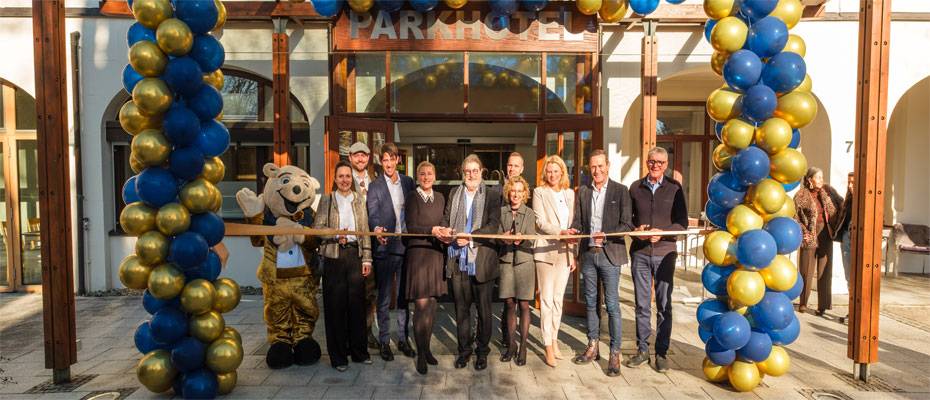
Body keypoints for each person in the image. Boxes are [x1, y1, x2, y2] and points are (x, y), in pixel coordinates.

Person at [570, 149, 633, 377]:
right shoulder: (583, 191)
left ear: (608, 166)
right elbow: (578, 222)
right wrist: (573, 230)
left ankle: (615, 353)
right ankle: (592, 346)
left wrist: (606, 235)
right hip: (588, 255)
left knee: (612, 305)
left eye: (600, 166)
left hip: (610, 254)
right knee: (590, 302)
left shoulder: (621, 190)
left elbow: (627, 225)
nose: (596, 170)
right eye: (593, 167)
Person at [625, 147, 688, 373]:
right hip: (640, 253)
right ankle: (642, 350)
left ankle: (661, 353)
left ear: (666, 164)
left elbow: (682, 223)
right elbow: (627, 221)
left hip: (665, 253)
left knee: (664, 305)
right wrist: (637, 231)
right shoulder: (635, 188)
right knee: (642, 305)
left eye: (660, 162)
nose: (656, 166)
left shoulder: (675, 187)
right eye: (652, 161)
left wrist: (663, 233)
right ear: (647, 162)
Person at [437, 154, 502, 371]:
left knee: (484, 311)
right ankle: (464, 351)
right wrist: (445, 230)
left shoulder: (492, 195)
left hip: (481, 261)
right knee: (461, 310)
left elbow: (493, 225)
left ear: (482, 172)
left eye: (475, 171)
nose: (471, 175)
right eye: (467, 171)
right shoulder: (454, 193)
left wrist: (471, 237)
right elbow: (446, 218)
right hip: (458, 259)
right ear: (462, 173)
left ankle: (482, 352)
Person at [313, 161, 373, 371]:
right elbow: (317, 228)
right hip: (333, 256)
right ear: (335, 178)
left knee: (357, 307)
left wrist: (367, 258)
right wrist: (335, 234)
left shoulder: (359, 199)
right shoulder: (327, 200)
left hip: (355, 255)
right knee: (335, 308)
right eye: (341, 176)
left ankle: (359, 353)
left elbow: (365, 230)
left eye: (348, 176)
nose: (345, 180)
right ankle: (338, 357)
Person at [367, 143, 417, 361]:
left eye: (391, 159)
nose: (388, 163)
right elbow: (372, 213)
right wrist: (376, 228)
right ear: (381, 162)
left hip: (405, 247)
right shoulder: (375, 186)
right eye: (384, 160)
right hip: (385, 248)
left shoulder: (408, 182)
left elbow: (415, 210)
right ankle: (385, 341)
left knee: (404, 297)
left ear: (398, 160)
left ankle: (404, 339)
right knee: (385, 298)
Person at [532, 155, 577, 367]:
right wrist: (560, 232)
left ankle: (555, 338)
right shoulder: (539, 192)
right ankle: (547, 345)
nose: (552, 175)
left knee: (559, 300)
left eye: (556, 171)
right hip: (546, 251)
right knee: (547, 300)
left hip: (565, 252)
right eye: (549, 171)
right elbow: (540, 222)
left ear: (562, 173)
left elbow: (573, 226)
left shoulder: (569, 194)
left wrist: (573, 252)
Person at [403, 161, 447, 375]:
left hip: (436, 254)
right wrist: (432, 230)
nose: (426, 177)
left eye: (430, 173)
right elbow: (411, 226)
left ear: (435, 176)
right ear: (417, 177)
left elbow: (443, 221)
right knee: (420, 306)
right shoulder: (412, 197)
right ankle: (420, 354)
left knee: (431, 305)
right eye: (422, 174)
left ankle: (427, 349)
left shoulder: (440, 198)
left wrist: (445, 232)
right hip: (419, 254)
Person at [498, 175, 537, 366]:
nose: (516, 194)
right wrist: (502, 237)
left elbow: (532, 238)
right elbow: (496, 235)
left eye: (519, 191)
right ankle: (512, 345)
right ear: (508, 192)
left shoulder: (529, 213)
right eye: (513, 191)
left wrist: (522, 238)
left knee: (524, 304)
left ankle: (523, 347)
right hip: (506, 261)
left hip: (525, 262)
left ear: (524, 194)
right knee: (509, 303)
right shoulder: (501, 212)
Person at [794, 167, 841, 316]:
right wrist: (804, 233)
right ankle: (803, 302)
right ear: (810, 179)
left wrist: (836, 226)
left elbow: (841, 206)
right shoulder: (801, 195)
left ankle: (823, 305)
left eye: (822, 177)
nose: (821, 180)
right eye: (818, 177)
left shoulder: (828, 191)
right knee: (806, 269)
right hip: (810, 233)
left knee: (825, 270)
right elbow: (795, 217)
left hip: (826, 233)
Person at [348, 141, 379, 349]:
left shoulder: (375, 179)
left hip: (373, 244)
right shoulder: (343, 179)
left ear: (368, 158)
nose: (360, 158)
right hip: (352, 245)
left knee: (370, 292)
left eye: (364, 155)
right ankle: (352, 335)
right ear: (350, 157)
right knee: (352, 292)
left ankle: (367, 333)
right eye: (356, 155)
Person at [499, 151, 525, 349]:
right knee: (506, 300)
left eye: (516, 165)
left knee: (520, 301)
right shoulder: (496, 191)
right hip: (502, 253)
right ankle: (507, 338)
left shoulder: (525, 191)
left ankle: (515, 340)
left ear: (522, 169)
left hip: (523, 256)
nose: (512, 168)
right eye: (510, 165)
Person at [836, 172, 854, 323]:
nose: (850, 185)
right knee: (849, 277)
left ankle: (856, 313)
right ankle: (851, 311)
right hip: (846, 238)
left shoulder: (866, 200)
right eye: (849, 182)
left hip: (858, 241)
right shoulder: (848, 200)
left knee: (857, 278)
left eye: (853, 182)